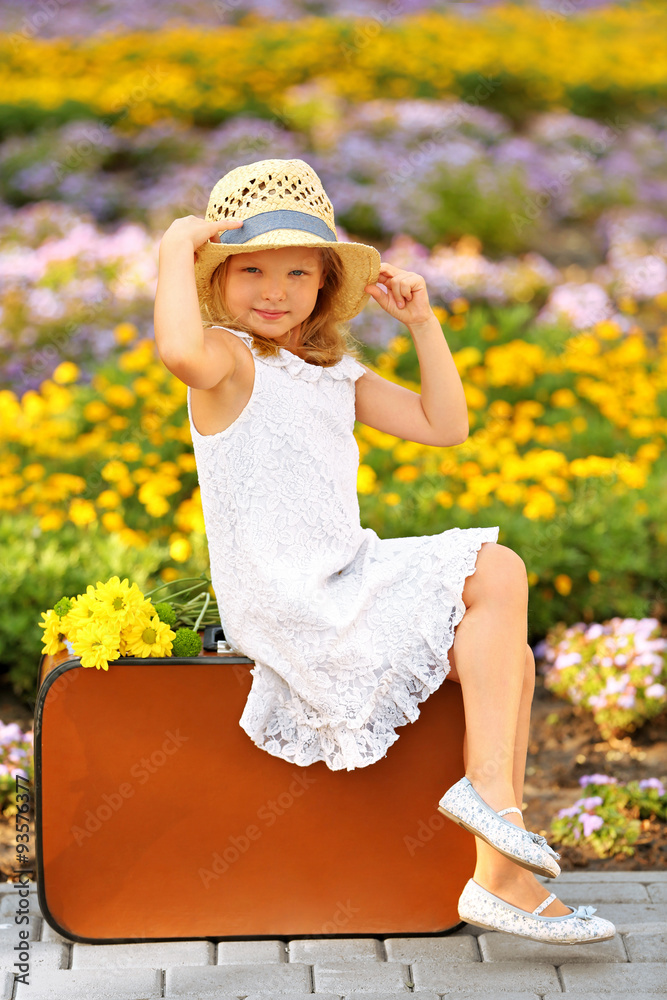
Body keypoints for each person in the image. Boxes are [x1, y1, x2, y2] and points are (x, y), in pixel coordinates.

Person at [154, 157, 615, 945]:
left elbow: (445, 425)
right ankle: (497, 817)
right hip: (291, 597)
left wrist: (422, 324)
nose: (273, 289)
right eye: (250, 270)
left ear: (327, 284)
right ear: (215, 284)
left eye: (297, 271)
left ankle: (497, 874)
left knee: (501, 643)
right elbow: (175, 352)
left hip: (345, 575)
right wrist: (172, 244)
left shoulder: (333, 375)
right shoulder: (227, 362)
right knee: (495, 572)